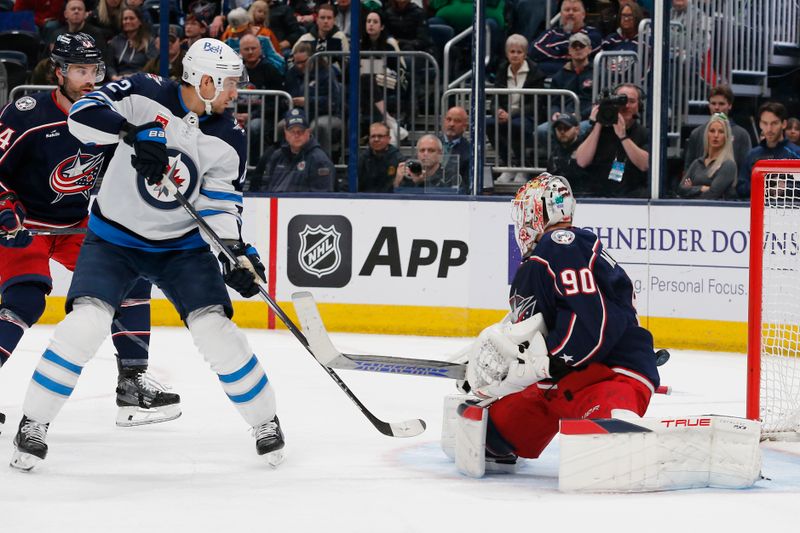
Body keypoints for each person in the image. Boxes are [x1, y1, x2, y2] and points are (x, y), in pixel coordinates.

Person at [8, 38, 285, 470]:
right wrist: (132, 132)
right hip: (114, 238)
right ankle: (34, 423)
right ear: (205, 80)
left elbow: (220, 203)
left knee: (216, 330)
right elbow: (82, 117)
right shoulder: (144, 90)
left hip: (183, 248)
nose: (236, 93)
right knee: (85, 323)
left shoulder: (230, 135)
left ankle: (265, 421)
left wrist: (233, 252)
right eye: (230, 84)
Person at [0, 33, 180, 434]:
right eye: (80, 70)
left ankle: (132, 383)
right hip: (23, 224)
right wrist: (4, 204)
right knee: (26, 299)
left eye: (94, 69)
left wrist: (151, 161)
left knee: (130, 278)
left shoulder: (103, 116)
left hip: (73, 224)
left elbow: (128, 164)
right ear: (59, 72)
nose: (90, 79)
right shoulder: (26, 114)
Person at [458, 172, 659, 468]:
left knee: (604, 440)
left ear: (541, 210)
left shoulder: (561, 243)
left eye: (526, 212)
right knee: (492, 435)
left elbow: (590, 319)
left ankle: (624, 431)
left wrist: (550, 360)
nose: (522, 222)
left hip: (612, 374)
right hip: (566, 381)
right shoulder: (547, 255)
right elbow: (536, 328)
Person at [488, 34, 546, 185]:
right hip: (506, 114)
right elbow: (495, 98)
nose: (515, 55)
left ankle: (523, 167)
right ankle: (508, 164)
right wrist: (497, 111)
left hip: (527, 114)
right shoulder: (502, 70)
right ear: (507, 53)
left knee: (516, 125)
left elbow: (535, 103)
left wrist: (510, 114)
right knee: (488, 124)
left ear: (525, 54)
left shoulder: (535, 73)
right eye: (512, 51)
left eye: (519, 52)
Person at [574, 83, 650, 197]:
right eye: (622, 101)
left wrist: (623, 137)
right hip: (597, 195)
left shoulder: (644, 133)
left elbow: (645, 165)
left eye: (632, 101)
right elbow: (581, 161)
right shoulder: (597, 131)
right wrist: (598, 124)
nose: (626, 106)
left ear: (639, 106)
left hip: (632, 197)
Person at [359, 9, 407, 146]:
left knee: (367, 77)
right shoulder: (360, 44)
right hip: (369, 88)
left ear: (382, 26)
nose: (371, 24)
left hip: (388, 83)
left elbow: (397, 70)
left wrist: (375, 69)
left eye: (375, 22)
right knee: (366, 79)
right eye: (368, 21)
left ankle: (387, 121)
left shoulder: (389, 44)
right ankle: (389, 121)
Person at [258, 108, 335, 192]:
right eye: (292, 131)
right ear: (285, 132)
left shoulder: (319, 160)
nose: (296, 135)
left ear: (308, 132)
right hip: (274, 204)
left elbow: (322, 198)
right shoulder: (277, 156)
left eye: (300, 131)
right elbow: (264, 188)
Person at [736, 101, 800, 199]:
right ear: (760, 124)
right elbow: (740, 188)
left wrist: (786, 189)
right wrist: (766, 186)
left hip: (789, 212)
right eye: (765, 123)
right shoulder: (752, 155)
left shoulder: (796, 153)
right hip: (755, 211)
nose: (769, 129)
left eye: (774, 123)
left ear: (784, 124)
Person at [683, 85, 751, 176]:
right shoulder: (697, 133)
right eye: (713, 103)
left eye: (721, 104)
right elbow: (688, 170)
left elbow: (746, 170)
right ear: (709, 105)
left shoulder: (742, 135)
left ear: (730, 105)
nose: (717, 107)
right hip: (701, 187)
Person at [528, 0, 601, 75]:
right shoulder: (551, 33)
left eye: (575, 10)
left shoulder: (592, 33)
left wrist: (553, 48)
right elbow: (534, 50)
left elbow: (579, 53)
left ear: (583, 14)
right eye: (567, 10)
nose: (570, 13)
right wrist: (564, 52)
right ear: (561, 14)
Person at [678, 113, 737, 199]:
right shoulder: (697, 163)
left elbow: (712, 194)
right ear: (707, 134)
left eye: (721, 132)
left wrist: (691, 190)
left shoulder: (728, 165)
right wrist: (701, 188)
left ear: (726, 137)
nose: (716, 135)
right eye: (712, 131)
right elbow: (680, 189)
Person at [394, 134, 461, 191]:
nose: (425, 154)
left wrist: (422, 183)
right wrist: (397, 181)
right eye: (422, 150)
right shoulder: (409, 175)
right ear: (417, 153)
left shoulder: (450, 176)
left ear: (440, 153)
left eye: (431, 150)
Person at [546, 112, 591, 194]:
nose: (562, 132)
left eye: (567, 128)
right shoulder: (555, 153)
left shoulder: (585, 148)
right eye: (559, 128)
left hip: (584, 196)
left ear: (577, 129)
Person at [107, 7, 156, 79]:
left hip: (142, 79)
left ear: (140, 22)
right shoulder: (115, 41)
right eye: (125, 19)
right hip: (119, 80)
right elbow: (109, 65)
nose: (128, 21)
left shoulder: (149, 42)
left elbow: (152, 66)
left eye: (131, 18)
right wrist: (114, 77)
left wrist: (135, 76)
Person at [358, 122, 405, 193]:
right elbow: (347, 184)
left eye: (380, 136)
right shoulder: (361, 159)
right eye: (373, 136)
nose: (376, 139)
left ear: (388, 139)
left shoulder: (398, 159)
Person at [440, 105, 471, 185]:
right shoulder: (431, 144)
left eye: (457, 121)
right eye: (449, 119)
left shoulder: (470, 150)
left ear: (464, 127)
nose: (451, 124)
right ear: (444, 122)